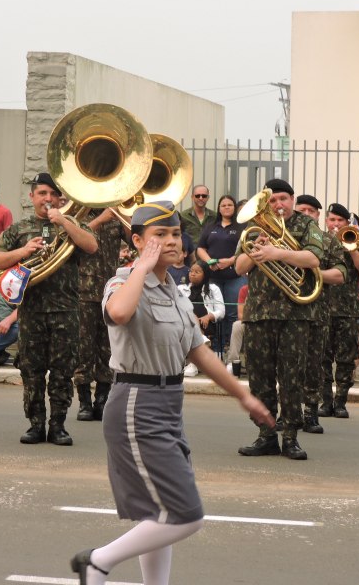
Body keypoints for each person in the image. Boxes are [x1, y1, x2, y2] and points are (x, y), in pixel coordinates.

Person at [69, 200, 271, 585]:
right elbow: (120, 314)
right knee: (185, 514)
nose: (171, 242)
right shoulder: (121, 281)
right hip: (136, 403)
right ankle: (96, 561)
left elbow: (199, 351)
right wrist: (140, 265)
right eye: (159, 235)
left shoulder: (175, 291)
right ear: (138, 240)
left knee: (158, 513)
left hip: (169, 403)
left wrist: (243, 395)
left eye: (175, 234)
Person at [0, 172, 98, 445]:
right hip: (31, 312)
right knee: (32, 370)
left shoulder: (72, 224)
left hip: (66, 310)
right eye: (42, 194)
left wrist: (63, 221)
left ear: (60, 198)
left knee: (63, 371)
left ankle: (58, 425)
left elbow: (92, 246)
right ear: (32, 197)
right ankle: (36, 425)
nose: (47, 199)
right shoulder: (20, 228)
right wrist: (24, 251)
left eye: (52, 194)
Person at [236, 179, 323, 460]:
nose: (277, 205)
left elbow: (313, 259)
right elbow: (239, 267)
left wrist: (277, 252)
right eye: (272, 201)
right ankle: (266, 435)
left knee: (291, 377)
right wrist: (256, 252)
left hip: (294, 315)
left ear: (292, 200)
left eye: (282, 199)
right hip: (259, 313)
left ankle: (291, 437)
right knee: (259, 378)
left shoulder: (306, 225)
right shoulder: (255, 229)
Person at [294, 194, 346, 432]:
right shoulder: (284, 237)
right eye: (301, 210)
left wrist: (312, 274)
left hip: (317, 311)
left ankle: (311, 412)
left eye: (311, 211)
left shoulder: (328, 240)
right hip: (289, 312)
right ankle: (289, 412)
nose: (306, 214)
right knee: (289, 365)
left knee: (315, 364)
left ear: (318, 216)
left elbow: (339, 275)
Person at [73, 208, 125, 422]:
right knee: (83, 349)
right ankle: (84, 402)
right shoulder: (77, 216)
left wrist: (125, 214)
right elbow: (69, 240)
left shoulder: (117, 218)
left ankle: (102, 400)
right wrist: (101, 219)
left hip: (110, 291)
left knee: (107, 348)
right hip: (83, 291)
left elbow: (135, 238)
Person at [321, 203, 359, 418]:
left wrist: (350, 248)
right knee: (322, 359)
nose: (335, 224)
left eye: (339, 221)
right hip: (322, 308)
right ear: (326, 221)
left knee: (346, 358)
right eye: (332, 220)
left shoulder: (355, 240)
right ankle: (325, 402)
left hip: (348, 309)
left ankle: (340, 402)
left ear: (346, 223)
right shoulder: (320, 241)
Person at [196, 194, 246, 356]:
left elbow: (247, 250)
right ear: (218, 208)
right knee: (215, 312)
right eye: (223, 205)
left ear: (235, 208)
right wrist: (210, 262)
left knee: (232, 314)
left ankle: (231, 352)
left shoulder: (241, 228)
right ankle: (217, 349)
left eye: (230, 205)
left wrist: (230, 261)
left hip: (234, 277)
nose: (226, 207)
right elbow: (200, 249)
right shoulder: (211, 227)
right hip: (213, 278)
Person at [179, 261, 225, 376]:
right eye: (191, 271)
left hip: (207, 324)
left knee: (193, 320)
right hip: (184, 324)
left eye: (197, 272)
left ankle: (193, 365)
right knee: (191, 316)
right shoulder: (180, 289)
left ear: (205, 274)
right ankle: (201, 341)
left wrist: (209, 316)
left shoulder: (213, 289)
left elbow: (222, 311)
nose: (192, 274)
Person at [225, 285, 247, 376]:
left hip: (267, 322)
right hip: (250, 320)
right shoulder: (244, 290)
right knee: (237, 325)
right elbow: (240, 315)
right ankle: (232, 362)